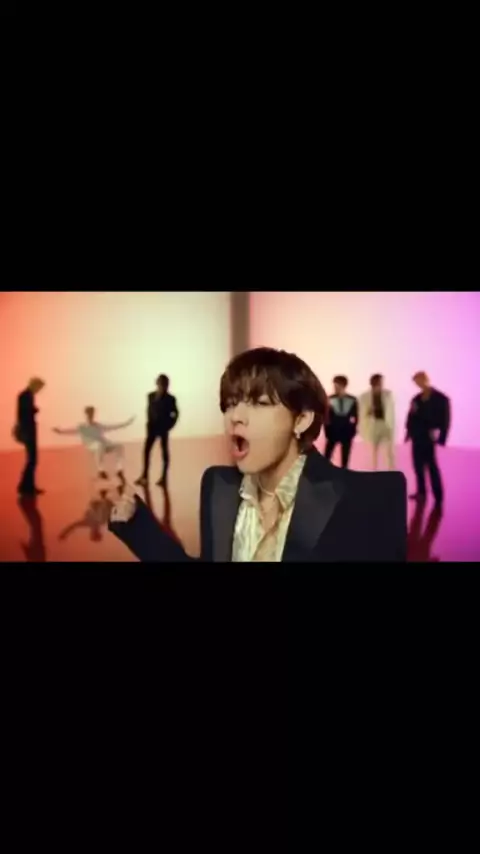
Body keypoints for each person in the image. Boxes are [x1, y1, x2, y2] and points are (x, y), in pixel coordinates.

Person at [108, 347, 407, 562]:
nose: (235, 416)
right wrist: (139, 527)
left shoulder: (368, 499)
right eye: (229, 404)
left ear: (301, 420)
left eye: (259, 403)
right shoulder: (219, 486)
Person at [53, 407, 135, 483]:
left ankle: (119, 469)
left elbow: (113, 427)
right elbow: (71, 431)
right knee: (99, 446)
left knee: (119, 446)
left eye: (92, 413)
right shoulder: (82, 427)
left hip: (104, 444)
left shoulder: (98, 425)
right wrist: (60, 431)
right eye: (89, 413)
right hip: (92, 445)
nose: (91, 415)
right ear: (86, 414)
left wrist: (127, 423)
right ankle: (100, 470)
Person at [405, 371, 450, 506]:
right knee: (417, 466)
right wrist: (408, 433)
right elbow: (410, 416)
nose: (418, 384)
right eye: (416, 383)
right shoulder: (416, 399)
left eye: (419, 381)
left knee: (431, 467)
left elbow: (445, 419)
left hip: (429, 437)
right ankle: (421, 493)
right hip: (417, 435)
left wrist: (441, 436)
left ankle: (438, 496)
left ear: (426, 379)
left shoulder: (441, 398)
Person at [135, 374, 179, 487]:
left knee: (164, 453)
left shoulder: (170, 399)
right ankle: (145, 476)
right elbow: (149, 410)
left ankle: (164, 478)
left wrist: (169, 425)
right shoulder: (150, 396)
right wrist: (148, 424)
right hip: (152, 429)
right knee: (146, 451)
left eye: (165, 384)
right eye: (161, 384)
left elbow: (175, 414)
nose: (163, 386)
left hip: (163, 428)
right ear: (157, 384)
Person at [14, 377, 46, 496]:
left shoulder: (26, 395)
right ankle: (25, 487)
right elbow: (24, 413)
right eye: (39, 387)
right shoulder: (25, 396)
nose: (39, 390)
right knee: (32, 459)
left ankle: (28, 486)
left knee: (32, 459)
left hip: (29, 430)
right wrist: (34, 410)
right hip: (28, 431)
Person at [358, 374, 396, 470]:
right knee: (373, 450)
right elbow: (361, 413)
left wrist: (392, 425)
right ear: (374, 382)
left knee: (389, 450)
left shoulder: (388, 394)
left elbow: (391, 411)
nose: (382, 383)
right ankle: (374, 470)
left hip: (386, 424)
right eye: (380, 381)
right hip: (373, 425)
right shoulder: (364, 396)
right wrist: (369, 412)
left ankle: (391, 471)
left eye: (382, 381)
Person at [324, 376, 358, 469]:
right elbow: (326, 417)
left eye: (337, 385)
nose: (335, 388)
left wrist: (353, 431)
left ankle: (343, 474)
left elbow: (356, 417)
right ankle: (323, 473)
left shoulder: (352, 400)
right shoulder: (329, 399)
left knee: (345, 458)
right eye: (334, 385)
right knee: (327, 455)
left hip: (346, 431)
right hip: (333, 431)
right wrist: (327, 431)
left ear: (343, 386)